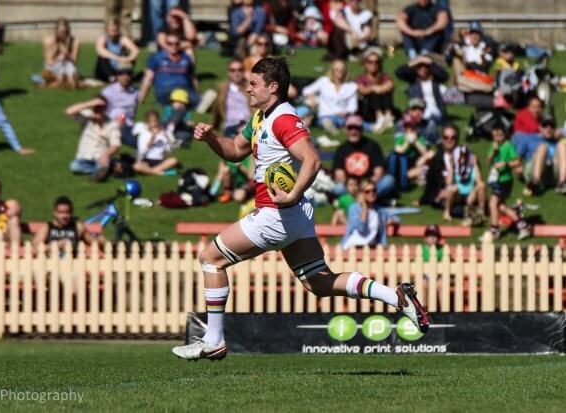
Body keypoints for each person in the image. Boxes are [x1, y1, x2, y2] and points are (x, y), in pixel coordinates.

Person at [171, 57, 428, 360]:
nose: (248, 89)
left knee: (211, 259)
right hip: (293, 216)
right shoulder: (260, 118)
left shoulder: (282, 118)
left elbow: (312, 159)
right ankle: (396, 297)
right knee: (318, 281)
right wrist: (212, 139)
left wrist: (292, 193)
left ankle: (213, 340)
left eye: (254, 84)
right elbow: (236, 151)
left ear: (274, 87)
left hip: (276, 214)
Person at [332, 115, 395, 202]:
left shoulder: (373, 146)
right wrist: (350, 186)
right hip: (350, 186)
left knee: (388, 181)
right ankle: (371, 200)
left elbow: (379, 171)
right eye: (350, 128)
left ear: (362, 129)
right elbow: (339, 173)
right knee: (338, 188)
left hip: (370, 184)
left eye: (357, 128)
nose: (353, 131)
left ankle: (357, 200)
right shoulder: (341, 149)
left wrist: (368, 185)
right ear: (346, 130)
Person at [485, 123, 530, 241]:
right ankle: (523, 226)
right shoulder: (494, 146)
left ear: (505, 135)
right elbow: (488, 161)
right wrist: (494, 152)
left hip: (504, 180)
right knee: (502, 207)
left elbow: (517, 162)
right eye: (495, 135)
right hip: (496, 180)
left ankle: (494, 229)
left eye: (500, 135)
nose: (498, 138)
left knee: (492, 204)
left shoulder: (508, 146)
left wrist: (506, 164)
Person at [65, 96, 121, 181]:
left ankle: (99, 173)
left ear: (105, 109)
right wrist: (90, 103)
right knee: (74, 166)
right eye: (96, 108)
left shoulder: (112, 124)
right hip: (84, 157)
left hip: (100, 157)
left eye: (101, 108)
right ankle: (106, 169)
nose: (98, 111)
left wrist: (105, 155)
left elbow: (115, 146)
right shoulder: (87, 118)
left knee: (102, 164)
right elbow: (68, 111)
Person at [139, 32, 198, 107]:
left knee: (199, 100)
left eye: (176, 44)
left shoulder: (186, 58)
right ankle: (180, 107)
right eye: (170, 43)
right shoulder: (157, 58)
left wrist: (196, 93)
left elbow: (192, 78)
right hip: (165, 90)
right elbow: (148, 79)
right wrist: (141, 99)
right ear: (166, 44)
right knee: (179, 97)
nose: (174, 46)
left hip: (185, 89)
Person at [301, 59, 358, 134]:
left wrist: (346, 113)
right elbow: (306, 90)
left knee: (356, 121)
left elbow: (353, 107)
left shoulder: (351, 86)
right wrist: (312, 96)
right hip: (326, 115)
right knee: (326, 121)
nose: (339, 72)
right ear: (332, 71)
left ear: (345, 71)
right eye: (336, 69)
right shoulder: (324, 81)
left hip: (343, 116)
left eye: (342, 70)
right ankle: (336, 130)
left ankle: (371, 127)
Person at [32, 196, 103, 251]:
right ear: (55, 213)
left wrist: (100, 240)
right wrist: (57, 245)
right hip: (51, 265)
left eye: (67, 212)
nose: (64, 216)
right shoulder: (47, 227)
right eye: (61, 212)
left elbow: (94, 243)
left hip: (74, 265)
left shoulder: (78, 227)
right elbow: (35, 248)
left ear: (71, 213)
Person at [396, 55, 448, 125]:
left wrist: (430, 62)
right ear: (415, 69)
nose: (423, 69)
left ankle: (424, 121)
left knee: (430, 113)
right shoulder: (413, 81)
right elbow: (399, 72)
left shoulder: (435, 81)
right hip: (419, 109)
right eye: (419, 67)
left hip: (434, 109)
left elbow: (444, 75)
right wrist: (415, 62)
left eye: (426, 67)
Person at [341, 179, 393, 249]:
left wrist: (393, 221)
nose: (372, 193)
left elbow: (397, 219)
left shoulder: (380, 210)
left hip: (371, 247)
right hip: (353, 246)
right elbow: (361, 229)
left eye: (374, 190)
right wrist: (364, 207)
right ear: (362, 194)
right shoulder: (354, 209)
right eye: (367, 191)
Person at [442, 145, 486, 224]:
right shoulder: (455, 168)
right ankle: (446, 212)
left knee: (481, 185)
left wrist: (475, 165)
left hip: (470, 194)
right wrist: (451, 166)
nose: (462, 159)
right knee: (451, 188)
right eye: (460, 157)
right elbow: (448, 182)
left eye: (464, 157)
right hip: (459, 195)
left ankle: (481, 212)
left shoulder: (472, 168)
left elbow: (479, 181)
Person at [522, 116, 566, 195]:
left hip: (552, 173)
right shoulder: (531, 138)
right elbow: (516, 159)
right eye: (545, 126)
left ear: (555, 129)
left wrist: (562, 133)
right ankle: (536, 182)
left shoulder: (558, 141)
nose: (548, 129)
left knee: (562, 145)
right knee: (543, 147)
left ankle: (562, 183)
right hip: (533, 168)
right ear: (540, 128)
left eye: (552, 126)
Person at [387, 113, 430, 191]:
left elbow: (425, 152)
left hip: (416, 163)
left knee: (429, 156)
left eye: (412, 127)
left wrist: (415, 141)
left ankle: (418, 176)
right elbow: (398, 150)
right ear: (404, 128)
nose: (410, 129)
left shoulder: (419, 138)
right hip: (404, 166)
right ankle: (414, 177)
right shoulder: (401, 138)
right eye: (407, 127)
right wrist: (407, 142)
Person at [356, 47, 395, 132]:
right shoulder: (361, 78)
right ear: (366, 64)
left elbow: (390, 86)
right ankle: (380, 116)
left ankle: (388, 116)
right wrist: (373, 88)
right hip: (368, 109)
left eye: (376, 62)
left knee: (385, 91)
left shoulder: (385, 76)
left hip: (384, 104)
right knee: (373, 93)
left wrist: (377, 88)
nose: (373, 64)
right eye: (370, 62)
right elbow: (362, 90)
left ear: (379, 64)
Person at [450, 21, 494, 93]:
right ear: (469, 35)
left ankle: (463, 88)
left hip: (480, 77)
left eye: (477, 33)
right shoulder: (464, 47)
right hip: (467, 77)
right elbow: (453, 50)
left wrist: (482, 57)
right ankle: (463, 87)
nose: (474, 36)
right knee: (456, 59)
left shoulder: (485, 47)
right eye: (472, 33)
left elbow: (486, 64)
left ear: (480, 35)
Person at [101, 64, 139, 147]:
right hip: (114, 124)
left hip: (130, 124)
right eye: (122, 74)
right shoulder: (108, 92)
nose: (125, 77)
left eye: (128, 74)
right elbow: (102, 112)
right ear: (117, 76)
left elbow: (134, 110)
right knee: (137, 143)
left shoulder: (135, 91)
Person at [211, 59, 251, 137]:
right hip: (230, 126)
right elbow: (216, 110)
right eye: (233, 70)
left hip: (249, 126)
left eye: (240, 70)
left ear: (244, 72)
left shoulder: (250, 89)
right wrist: (213, 127)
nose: (237, 73)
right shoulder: (222, 89)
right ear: (228, 72)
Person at [132, 110, 179, 176]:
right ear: (147, 123)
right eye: (151, 122)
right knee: (136, 166)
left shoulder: (164, 133)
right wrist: (152, 138)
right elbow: (142, 151)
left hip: (160, 160)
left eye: (156, 122)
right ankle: (161, 173)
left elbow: (169, 150)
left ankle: (151, 171)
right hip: (147, 160)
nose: (154, 124)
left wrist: (167, 139)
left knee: (174, 160)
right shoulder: (144, 134)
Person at [94, 18, 139, 83]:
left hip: (118, 68)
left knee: (129, 56)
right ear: (107, 29)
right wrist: (118, 58)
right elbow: (100, 51)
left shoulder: (122, 39)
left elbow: (136, 50)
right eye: (111, 28)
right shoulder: (103, 38)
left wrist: (128, 58)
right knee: (102, 57)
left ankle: (126, 75)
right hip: (105, 70)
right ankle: (111, 77)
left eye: (115, 28)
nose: (113, 30)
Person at [40, 18, 80, 89]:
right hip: (53, 66)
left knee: (72, 77)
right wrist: (58, 58)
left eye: (65, 32)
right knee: (47, 74)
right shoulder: (49, 41)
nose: (63, 34)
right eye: (61, 32)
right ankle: (60, 80)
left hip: (68, 64)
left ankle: (67, 80)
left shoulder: (74, 41)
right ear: (56, 31)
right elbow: (48, 61)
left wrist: (67, 54)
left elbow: (74, 61)